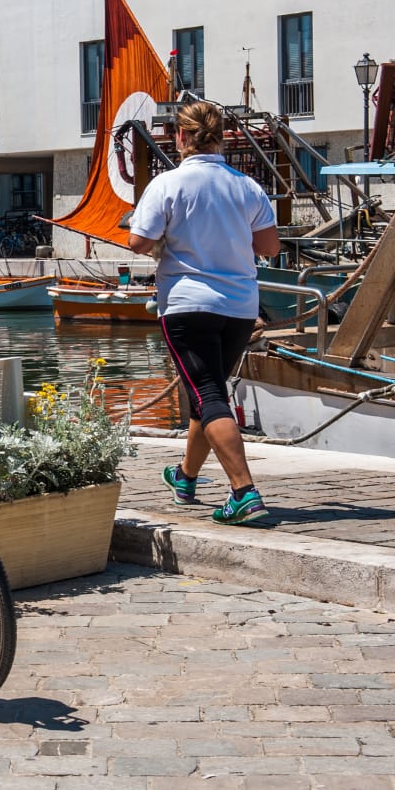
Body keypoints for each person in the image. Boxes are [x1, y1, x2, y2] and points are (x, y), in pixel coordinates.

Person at [128, 100, 280, 526]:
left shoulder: (168, 184)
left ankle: (244, 492)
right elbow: (269, 247)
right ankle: (185, 478)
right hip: (239, 308)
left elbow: (139, 243)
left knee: (209, 396)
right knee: (207, 393)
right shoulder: (247, 186)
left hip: (187, 305)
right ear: (223, 138)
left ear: (180, 137)